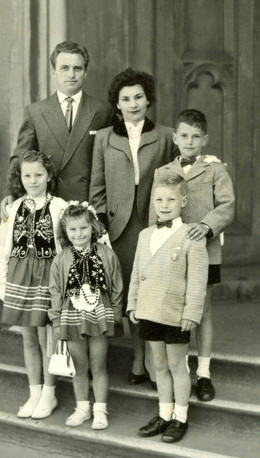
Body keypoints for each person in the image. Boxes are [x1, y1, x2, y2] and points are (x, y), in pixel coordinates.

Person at [89, 68, 178, 387]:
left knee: (153, 295)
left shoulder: (166, 136)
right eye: (125, 99)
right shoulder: (104, 138)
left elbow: (176, 179)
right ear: (117, 104)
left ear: (148, 99)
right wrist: (99, 222)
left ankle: (151, 363)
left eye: (138, 97)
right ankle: (139, 358)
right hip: (119, 229)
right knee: (128, 294)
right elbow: (97, 187)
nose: (133, 103)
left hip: (154, 223)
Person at [149, 109, 235, 401]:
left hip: (204, 251)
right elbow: (154, 213)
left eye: (195, 136)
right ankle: (179, 371)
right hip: (172, 255)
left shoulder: (215, 170)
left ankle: (205, 373)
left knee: (202, 311)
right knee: (175, 311)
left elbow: (226, 205)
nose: (189, 141)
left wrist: (207, 226)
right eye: (184, 135)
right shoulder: (163, 172)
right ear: (175, 138)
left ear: (205, 139)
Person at [128, 173, 208, 443]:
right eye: (159, 199)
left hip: (175, 314)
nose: (164, 204)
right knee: (158, 366)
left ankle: (180, 418)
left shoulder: (191, 236)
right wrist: (132, 304)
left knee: (177, 366)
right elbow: (137, 271)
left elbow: (197, 280)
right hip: (149, 310)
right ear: (153, 202)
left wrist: (192, 313)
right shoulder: (145, 235)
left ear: (183, 201)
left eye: (171, 199)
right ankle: (164, 414)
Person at [0, 40, 112, 219]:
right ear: (53, 72)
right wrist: (10, 192)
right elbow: (20, 157)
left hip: (88, 205)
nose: (71, 74)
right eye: (64, 68)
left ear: (86, 72)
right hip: (48, 202)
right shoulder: (36, 112)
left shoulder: (102, 111)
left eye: (77, 68)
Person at [0, 150, 66, 419]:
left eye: (39, 175)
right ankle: (34, 392)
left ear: (49, 176)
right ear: (20, 178)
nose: (33, 180)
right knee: (28, 337)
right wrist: (2, 282)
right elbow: (3, 247)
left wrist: (62, 287)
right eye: (27, 175)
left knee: (45, 337)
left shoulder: (59, 207)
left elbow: (65, 248)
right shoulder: (13, 208)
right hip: (18, 278)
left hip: (47, 280)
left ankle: (49, 393)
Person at [48, 202, 123, 430]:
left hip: (99, 315)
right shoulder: (61, 259)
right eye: (72, 229)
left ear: (93, 227)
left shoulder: (107, 254)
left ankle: (100, 410)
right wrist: (57, 320)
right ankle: (82, 408)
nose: (78, 234)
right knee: (80, 367)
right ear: (65, 232)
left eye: (83, 228)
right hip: (71, 317)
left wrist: (116, 313)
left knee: (98, 365)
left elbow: (117, 285)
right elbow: (56, 292)